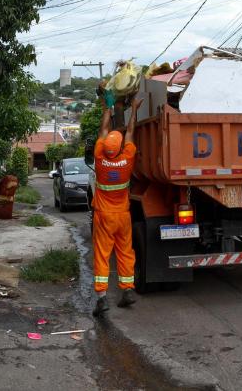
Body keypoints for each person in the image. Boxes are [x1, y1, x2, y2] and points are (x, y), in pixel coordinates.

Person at [91, 95, 143, 317]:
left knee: (103, 254)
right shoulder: (128, 158)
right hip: (123, 215)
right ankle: (127, 289)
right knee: (125, 252)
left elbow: (103, 130)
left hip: (104, 216)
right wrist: (133, 109)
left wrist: (107, 108)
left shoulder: (100, 159)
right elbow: (130, 132)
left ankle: (102, 298)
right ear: (121, 147)